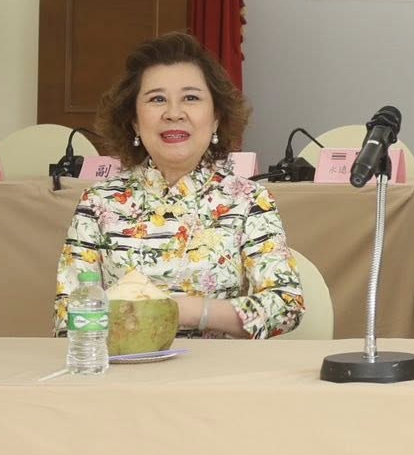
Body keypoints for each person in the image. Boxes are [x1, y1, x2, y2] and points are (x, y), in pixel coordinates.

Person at [52, 32, 304, 339]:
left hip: (219, 367)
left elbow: (285, 305)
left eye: (191, 98)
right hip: (122, 364)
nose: (173, 113)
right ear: (134, 121)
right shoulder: (98, 202)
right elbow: (68, 316)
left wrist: (183, 310)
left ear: (216, 118)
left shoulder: (249, 200)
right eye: (157, 99)